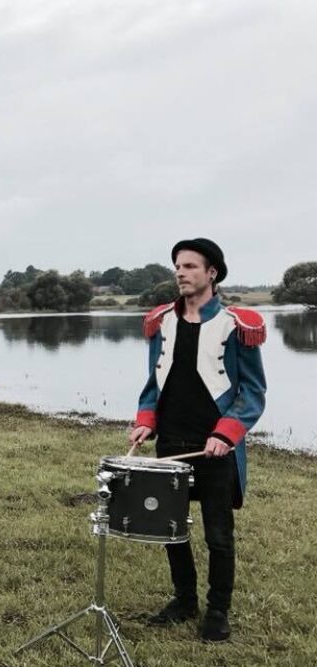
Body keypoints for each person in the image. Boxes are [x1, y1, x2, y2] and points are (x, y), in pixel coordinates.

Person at [128, 238, 266, 642]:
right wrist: (145, 420)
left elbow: (253, 392)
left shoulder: (237, 324)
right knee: (171, 526)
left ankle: (218, 610)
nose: (181, 273)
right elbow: (154, 383)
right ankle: (184, 599)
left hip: (216, 444)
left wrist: (227, 434)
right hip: (171, 440)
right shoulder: (161, 321)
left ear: (212, 274)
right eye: (177, 266)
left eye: (190, 266)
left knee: (218, 533)